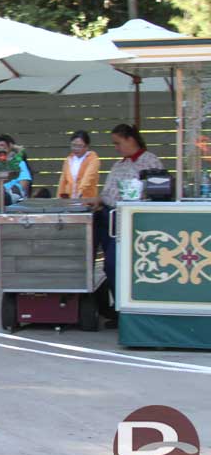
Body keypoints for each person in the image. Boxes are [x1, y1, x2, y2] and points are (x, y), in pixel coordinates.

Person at [96, 124, 163, 328]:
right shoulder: (119, 164)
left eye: (118, 143)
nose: (116, 147)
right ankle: (117, 307)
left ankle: (126, 310)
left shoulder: (150, 161)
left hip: (135, 225)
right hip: (111, 220)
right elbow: (108, 192)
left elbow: (157, 193)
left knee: (116, 264)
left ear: (131, 139)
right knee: (109, 265)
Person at [57, 130, 100, 200]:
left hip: (86, 200)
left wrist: (80, 192)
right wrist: (59, 197)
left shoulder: (93, 159)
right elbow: (63, 181)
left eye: (79, 146)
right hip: (69, 201)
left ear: (87, 146)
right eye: (73, 145)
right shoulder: (68, 160)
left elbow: (88, 177)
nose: (76, 149)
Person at [0, 134, 32, 202]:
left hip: (16, 206)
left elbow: (23, 187)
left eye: (4, 148)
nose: (1, 151)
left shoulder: (20, 164)